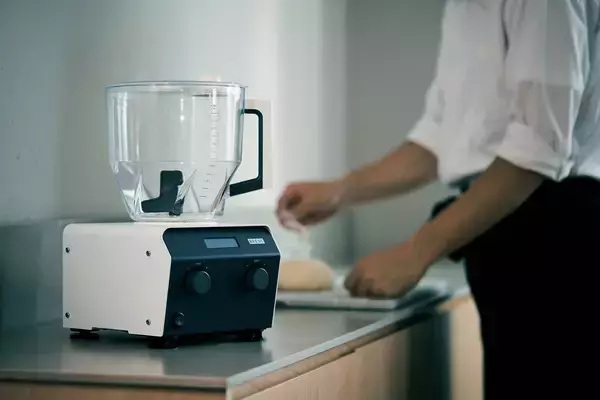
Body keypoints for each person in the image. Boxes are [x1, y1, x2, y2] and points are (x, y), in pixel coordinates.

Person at [276, 1, 600, 399]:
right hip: (500, 229)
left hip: (560, 243)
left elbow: (539, 146)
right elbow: (443, 138)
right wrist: (340, 190)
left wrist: (417, 251)